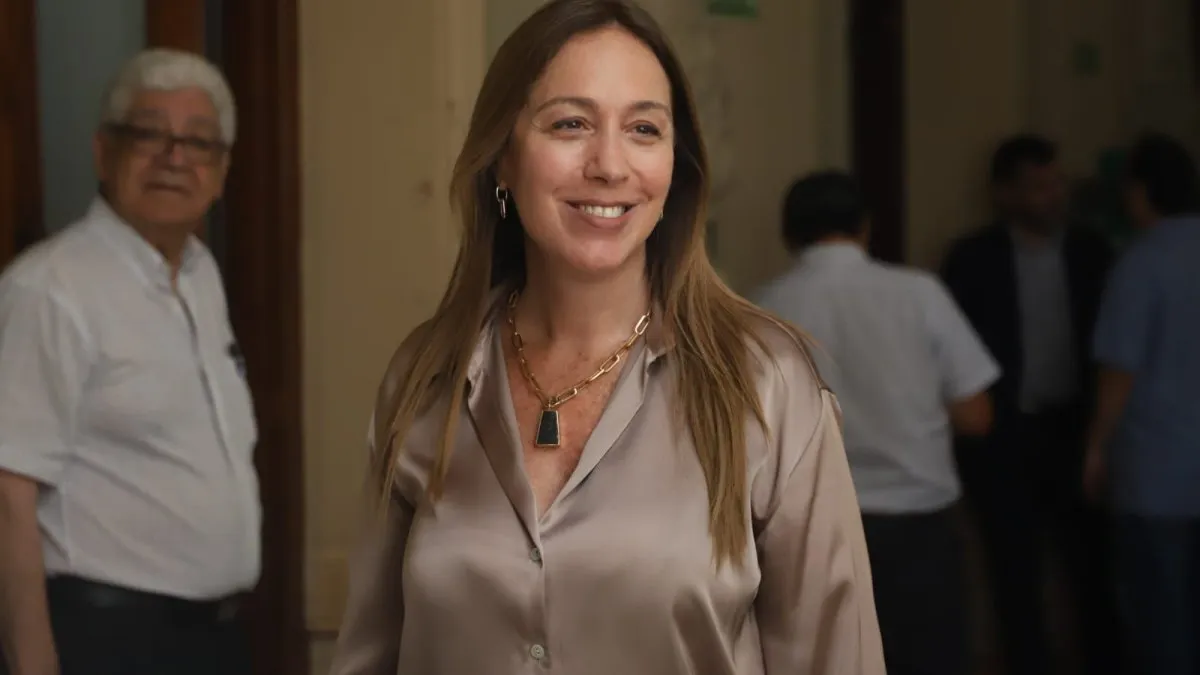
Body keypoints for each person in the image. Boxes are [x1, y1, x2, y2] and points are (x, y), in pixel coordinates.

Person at [328, 1, 885, 674]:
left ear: (675, 165)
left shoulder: (767, 385)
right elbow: (369, 655)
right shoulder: (426, 376)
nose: (610, 165)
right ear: (502, 158)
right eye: (571, 123)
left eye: (644, 129)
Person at [0, 49, 257, 675]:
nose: (174, 157)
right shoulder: (49, 288)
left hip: (213, 638)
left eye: (198, 142)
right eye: (148, 134)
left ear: (221, 171)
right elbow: (7, 490)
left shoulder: (200, 274)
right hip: (105, 638)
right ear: (103, 153)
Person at [755, 171, 998, 675]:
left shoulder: (762, 309)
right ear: (865, 226)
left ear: (788, 234)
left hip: (809, 530)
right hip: (918, 524)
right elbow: (976, 415)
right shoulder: (919, 294)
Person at [941, 134, 1119, 675]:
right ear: (1005, 193)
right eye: (1039, 186)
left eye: (1057, 183)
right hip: (1005, 435)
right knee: (1013, 574)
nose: (1054, 195)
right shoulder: (973, 260)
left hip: (1075, 430)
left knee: (1091, 570)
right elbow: (953, 357)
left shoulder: (1091, 252)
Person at [1086, 133, 1200, 675]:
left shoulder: (1141, 263)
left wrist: (1095, 448)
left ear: (1138, 191)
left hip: (1158, 474)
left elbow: (1119, 371)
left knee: (1161, 622)